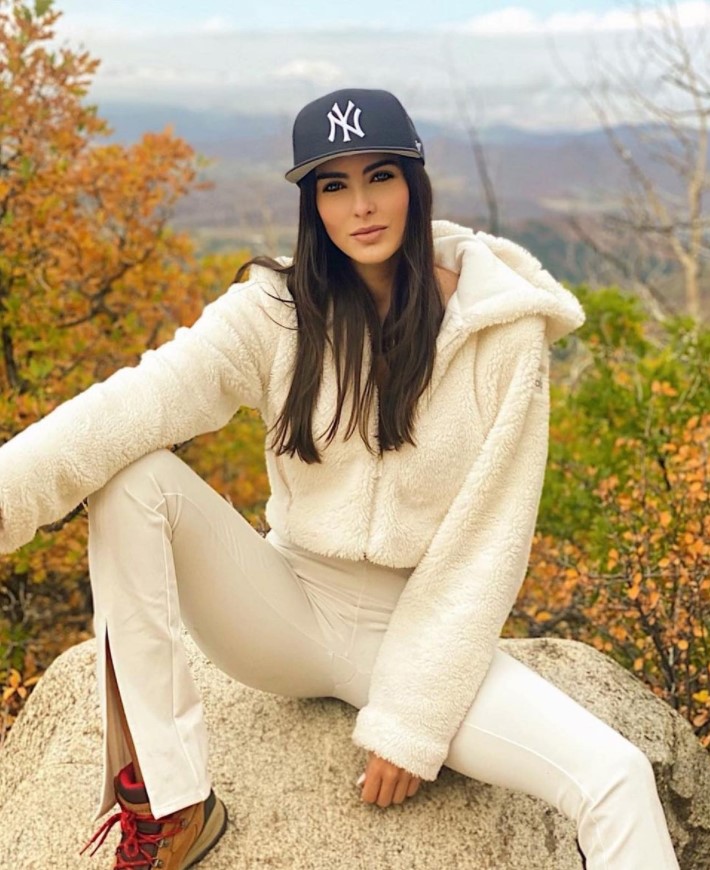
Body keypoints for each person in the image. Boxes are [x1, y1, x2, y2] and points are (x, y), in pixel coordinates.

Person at [0, 87, 680, 870]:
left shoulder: (503, 333)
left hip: (415, 628)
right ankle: (172, 800)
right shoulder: (278, 310)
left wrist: (412, 718)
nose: (360, 206)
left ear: (414, 184)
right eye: (334, 185)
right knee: (135, 477)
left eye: (380, 177)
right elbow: (129, 406)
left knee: (617, 776)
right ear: (312, 203)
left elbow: (487, 544)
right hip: (283, 608)